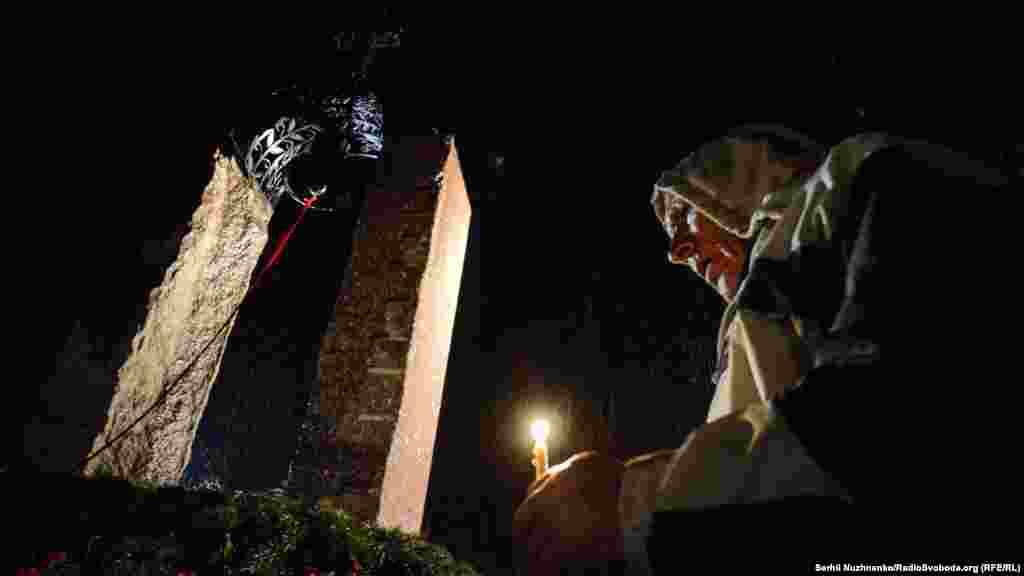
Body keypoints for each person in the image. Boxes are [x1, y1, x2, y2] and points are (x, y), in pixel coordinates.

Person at [513, 124, 1014, 570]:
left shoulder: (861, 177)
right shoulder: (750, 345)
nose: (678, 253)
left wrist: (623, 506)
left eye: (686, 219)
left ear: (736, 179)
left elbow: (893, 413)